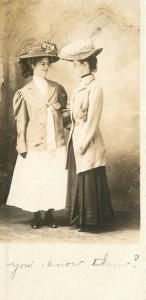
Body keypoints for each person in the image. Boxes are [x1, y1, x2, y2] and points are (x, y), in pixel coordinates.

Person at [7, 41, 68, 229]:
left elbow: (65, 115)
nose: (46, 66)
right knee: (36, 178)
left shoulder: (57, 88)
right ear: (32, 64)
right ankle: (36, 215)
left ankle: (50, 214)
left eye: (48, 63)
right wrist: (22, 144)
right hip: (36, 142)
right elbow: (21, 122)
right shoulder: (24, 93)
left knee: (52, 176)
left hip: (55, 141)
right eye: (42, 63)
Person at [59, 39, 115, 232]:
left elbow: (93, 119)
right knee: (80, 176)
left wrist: (83, 142)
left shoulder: (95, 87)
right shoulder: (80, 86)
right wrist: (66, 112)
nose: (73, 69)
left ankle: (91, 220)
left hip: (88, 140)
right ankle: (80, 218)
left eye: (75, 65)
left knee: (88, 175)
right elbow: (75, 113)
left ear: (85, 63)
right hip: (77, 137)